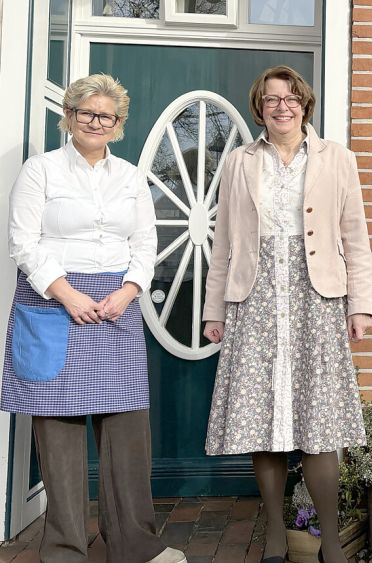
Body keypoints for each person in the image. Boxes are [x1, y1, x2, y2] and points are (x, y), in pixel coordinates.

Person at [1, 74, 186, 563]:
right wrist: (66, 294)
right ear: (69, 116)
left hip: (116, 308)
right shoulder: (40, 171)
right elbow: (23, 241)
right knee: (59, 434)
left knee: (126, 432)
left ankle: (135, 546)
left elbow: (146, 244)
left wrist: (128, 291)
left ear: (118, 123)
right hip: (53, 302)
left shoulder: (129, 177)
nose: (95, 122)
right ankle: (64, 549)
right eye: (86, 113)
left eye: (106, 115)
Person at [202, 65, 372, 563]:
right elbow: (224, 244)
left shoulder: (337, 159)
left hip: (316, 297)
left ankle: (331, 541)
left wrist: (360, 306)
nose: (282, 106)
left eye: (291, 97)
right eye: (272, 98)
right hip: (254, 298)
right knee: (263, 418)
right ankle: (275, 534)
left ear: (305, 105)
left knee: (319, 419)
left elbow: (355, 240)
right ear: (260, 107)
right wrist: (216, 309)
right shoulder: (238, 162)